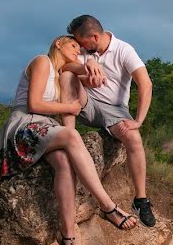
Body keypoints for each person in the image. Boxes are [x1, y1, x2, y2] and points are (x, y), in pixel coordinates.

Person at [0, 35, 138, 245]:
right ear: (58, 43)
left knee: (64, 164)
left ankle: (68, 236)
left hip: (45, 128)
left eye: (81, 50)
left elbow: (78, 101)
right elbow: (34, 104)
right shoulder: (42, 61)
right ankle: (107, 206)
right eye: (73, 46)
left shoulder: (61, 75)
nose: (77, 51)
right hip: (25, 125)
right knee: (71, 134)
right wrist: (68, 105)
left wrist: (86, 70)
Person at [62, 15, 156, 227]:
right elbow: (63, 67)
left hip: (115, 109)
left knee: (133, 138)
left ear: (94, 36)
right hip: (86, 104)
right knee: (67, 76)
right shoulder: (85, 50)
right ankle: (68, 136)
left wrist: (138, 120)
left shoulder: (124, 50)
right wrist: (86, 65)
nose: (79, 46)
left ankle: (141, 200)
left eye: (82, 41)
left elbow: (145, 83)